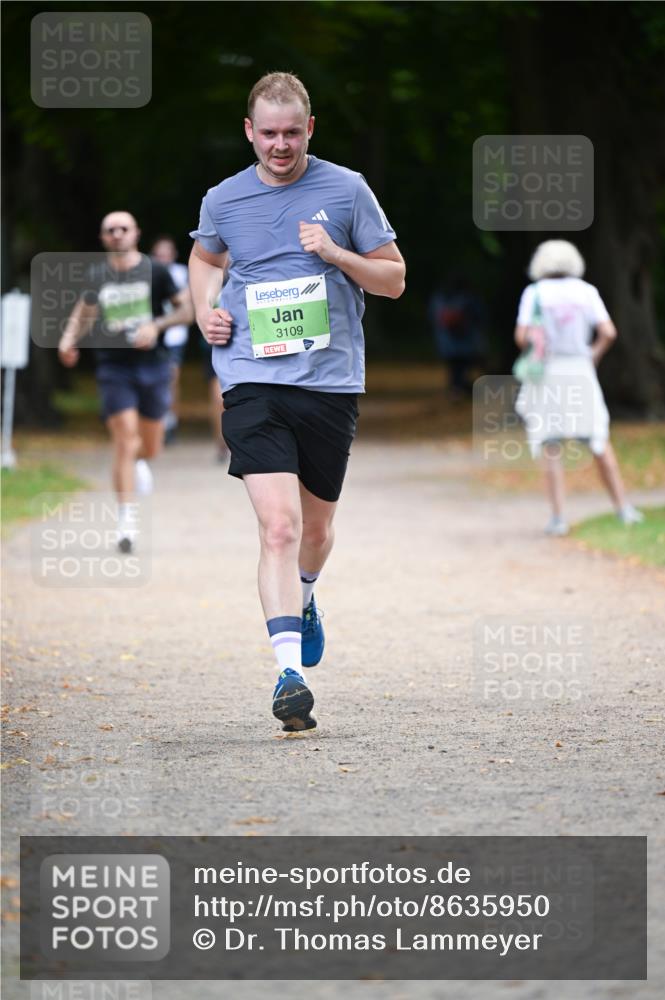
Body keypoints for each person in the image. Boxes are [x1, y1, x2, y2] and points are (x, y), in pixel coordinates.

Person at [188, 72, 405, 732]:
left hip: (329, 382)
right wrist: (204, 312)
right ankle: (289, 674)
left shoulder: (346, 189)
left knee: (314, 530)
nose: (279, 145)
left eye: (291, 132)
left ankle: (306, 596)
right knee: (276, 527)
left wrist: (335, 252)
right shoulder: (223, 199)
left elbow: (393, 280)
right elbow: (205, 261)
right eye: (268, 133)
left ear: (308, 129)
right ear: (249, 132)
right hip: (252, 377)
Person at [58, 211, 193, 551]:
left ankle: (140, 462)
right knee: (123, 437)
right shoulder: (97, 276)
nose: (117, 234)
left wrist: (156, 327)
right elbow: (85, 311)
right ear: (103, 238)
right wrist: (69, 338)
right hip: (113, 366)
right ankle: (126, 520)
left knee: (148, 446)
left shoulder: (156, 272)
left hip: (153, 366)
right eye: (110, 230)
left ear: (136, 233)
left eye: (123, 228)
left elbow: (186, 312)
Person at [513, 239, 644, 536]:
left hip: (548, 371)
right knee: (598, 438)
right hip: (580, 370)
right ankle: (623, 507)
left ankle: (558, 518)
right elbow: (608, 332)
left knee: (551, 445)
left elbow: (522, 337)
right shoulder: (587, 292)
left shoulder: (534, 293)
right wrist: (593, 354)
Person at [150, 235, 192, 444]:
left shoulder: (182, 273)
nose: (163, 258)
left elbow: (187, 302)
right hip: (152, 335)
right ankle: (156, 420)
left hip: (175, 335)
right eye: (159, 254)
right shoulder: (149, 273)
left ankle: (170, 419)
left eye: (166, 254)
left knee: (172, 378)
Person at [428, 273, 484, 396]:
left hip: (446, 342)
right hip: (466, 342)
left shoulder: (439, 298)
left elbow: (433, 317)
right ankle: (460, 388)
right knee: (463, 367)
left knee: (454, 368)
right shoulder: (469, 298)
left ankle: (456, 388)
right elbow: (480, 317)